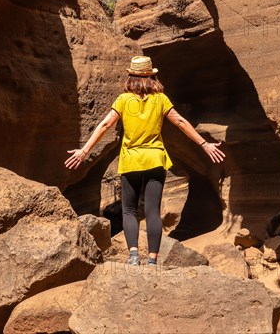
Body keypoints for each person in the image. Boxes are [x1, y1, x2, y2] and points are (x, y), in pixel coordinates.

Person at [64, 56, 225, 266]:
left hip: (131, 160)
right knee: (152, 211)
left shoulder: (123, 100)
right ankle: (152, 260)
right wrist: (205, 144)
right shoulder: (161, 99)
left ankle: (133, 256)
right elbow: (181, 122)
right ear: (151, 76)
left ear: (131, 76)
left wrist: (84, 151)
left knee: (129, 210)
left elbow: (105, 125)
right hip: (155, 159)